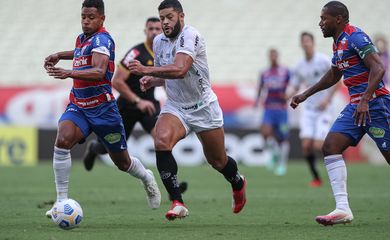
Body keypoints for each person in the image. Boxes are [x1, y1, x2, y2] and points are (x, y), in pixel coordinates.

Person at [126, 0, 247, 220]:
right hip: (176, 107)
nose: (165, 22)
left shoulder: (191, 36)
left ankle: (238, 181)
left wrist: (146, 69)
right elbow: (168, 74)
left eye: (169, 17)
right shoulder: (159, 42)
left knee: (218, 161)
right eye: (162, 18)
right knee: (161, 141)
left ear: (182, 16)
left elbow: (180, 69)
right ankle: (177, 201)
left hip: (203, 107)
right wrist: (153, 80)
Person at [43, 0, 161, 218]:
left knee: (122, 162)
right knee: (63, 140)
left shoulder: (103, 39)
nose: (86, 21)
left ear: (102, 19)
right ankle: (60, 201)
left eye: (91, 17)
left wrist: (68, 73)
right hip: (79, 105)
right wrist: (60, 54)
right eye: (83, 17)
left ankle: (146, 177)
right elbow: (80, 52)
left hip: (103, 110)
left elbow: (98, 71)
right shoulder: (83, 39)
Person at [291, 1, 390, 226]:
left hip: (375, 104)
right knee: (330, 146)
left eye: (324, 18)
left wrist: (365, 99)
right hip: (357, 106)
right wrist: (305, 94)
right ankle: (342, 209)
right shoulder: (338, 44)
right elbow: (334, 75)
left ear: (338, 19)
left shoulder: (355, 37)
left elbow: (378, 68)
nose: (320, 23)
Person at [82, 16, 188, 195]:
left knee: (163, 140)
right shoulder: (136, 53)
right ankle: (94, 148)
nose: (154, 32)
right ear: (145, 31)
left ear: (162, 30)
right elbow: (117, 81)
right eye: (151, 29)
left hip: (149, 106)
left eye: (157, 28)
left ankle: (173, 189)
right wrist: (137, 101)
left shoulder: (165, 52)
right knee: (107, 148)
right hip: (128, 106)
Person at [288, 32, 340, 187]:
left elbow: (338, 79)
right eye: (303, 41)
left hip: (324, 108)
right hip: (309, 109)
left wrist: (327, 98)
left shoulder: (323, 60)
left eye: (308, 41)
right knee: (305, 146)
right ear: (301, 44)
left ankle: (337, 168)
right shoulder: (299, 65)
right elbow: (295, 85)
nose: (305, 44)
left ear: (313, 43)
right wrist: (287, 95)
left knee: (319, 146)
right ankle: (316, 177)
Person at [254, 48, 290, 176]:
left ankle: (281, 164)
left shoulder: (285, 71)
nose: (273, 57)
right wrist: (257, 101)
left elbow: (294, 85)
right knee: (265, 134)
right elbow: (260, 88)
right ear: (269, 57)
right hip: (269, 108)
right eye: (271, 55)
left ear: (277, 56)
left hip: (282, 109)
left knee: (283, 138)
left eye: (275, 55)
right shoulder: (265, 73)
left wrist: (289, 95)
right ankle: (274, 154)